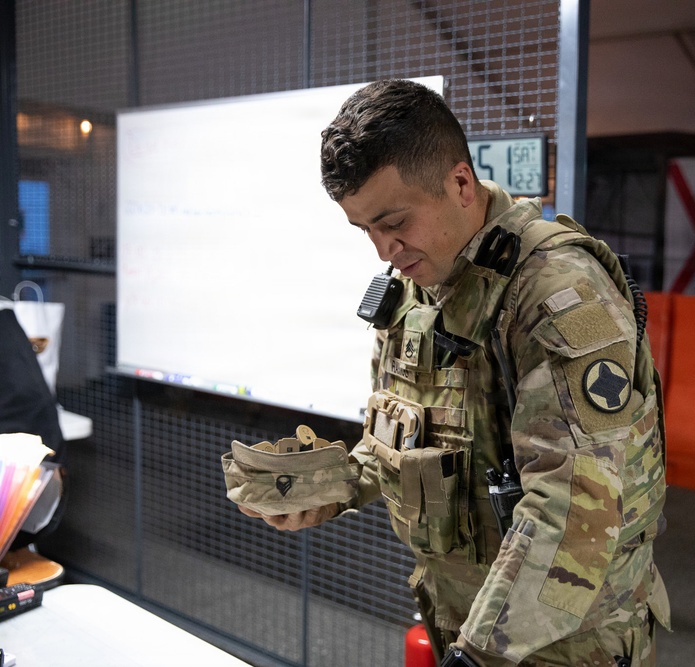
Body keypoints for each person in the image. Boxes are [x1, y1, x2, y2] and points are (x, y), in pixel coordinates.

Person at [237, 79, 670, 666]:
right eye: (365, 229)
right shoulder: (418, 286)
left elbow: (574, 509)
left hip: (564, 644)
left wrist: (475, 655)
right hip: (464, 619)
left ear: (460, 184)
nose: (383, 250)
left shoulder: (557, 292)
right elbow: (405, 437)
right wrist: (330, 487)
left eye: (394, 223)